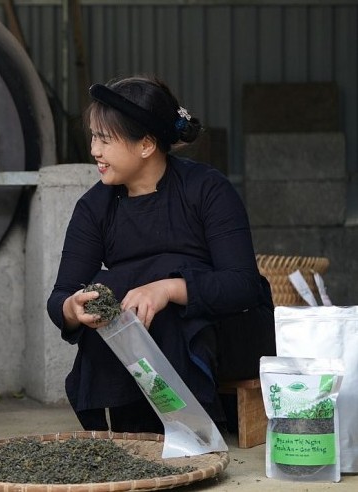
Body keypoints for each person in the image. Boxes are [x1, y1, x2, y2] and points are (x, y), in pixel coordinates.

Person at [46, 75, 275, 434]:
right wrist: (73, 308)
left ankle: (190, 428)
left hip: (227, 332)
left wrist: (168, 289)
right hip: (144, 340)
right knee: (111, 293)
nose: (95, 150)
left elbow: (243, 284)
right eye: (94, 137)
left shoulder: (207, 189)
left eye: (105, 139)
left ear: (146, 145)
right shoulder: (94, 207)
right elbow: (60, 296)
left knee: (163, 302)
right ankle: (131, 428)